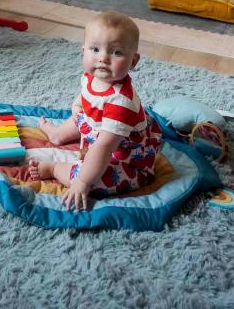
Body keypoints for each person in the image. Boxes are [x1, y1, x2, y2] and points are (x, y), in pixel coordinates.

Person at [28, 11, 163, 210]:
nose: (103, 59)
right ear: (83, 52)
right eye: (95, 49)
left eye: (116, 52)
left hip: (125, 155)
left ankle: (55, 168)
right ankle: (57, 134)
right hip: (101, 129)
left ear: (133, 61)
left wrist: (82, 182)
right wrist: (77, 105)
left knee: (94, 179)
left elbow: (104, 148)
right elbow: (86, 97)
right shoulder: (91, 77)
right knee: (81, 115)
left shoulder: (121, 103)